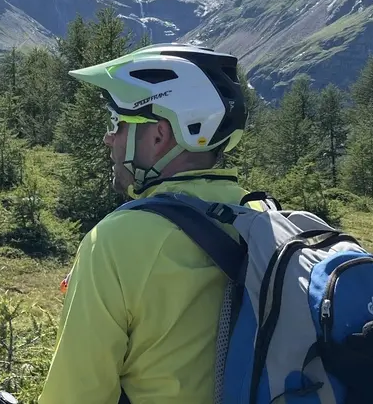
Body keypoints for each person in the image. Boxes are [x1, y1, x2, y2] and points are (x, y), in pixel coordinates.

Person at [37, 43, 253, 404]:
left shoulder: (116, 241)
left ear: (158, 136)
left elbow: (75, 396)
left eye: (117, 122)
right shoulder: (260, 218)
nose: (109, 137)